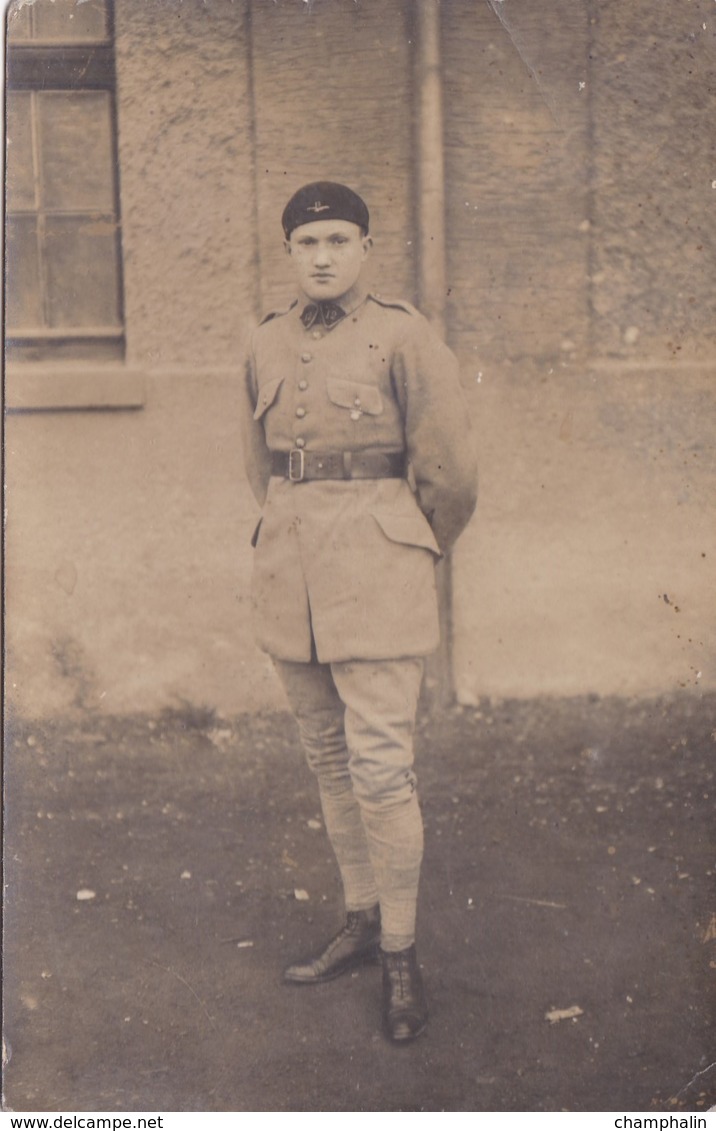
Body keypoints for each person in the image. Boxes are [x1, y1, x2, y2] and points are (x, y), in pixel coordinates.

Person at [240, 181, 477, 1043]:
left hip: (378, 571)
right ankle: (361, 916)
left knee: (382, 767)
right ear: (291, 253)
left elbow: (449, 472)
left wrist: (408, 546)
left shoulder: (403, 335)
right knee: (328, 757)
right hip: (291, 576)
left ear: (366, 249)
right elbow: (259, 464)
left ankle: (403, 952)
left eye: (340, 240)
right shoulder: (263, 341)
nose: (324, 256)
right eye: (309, 244)